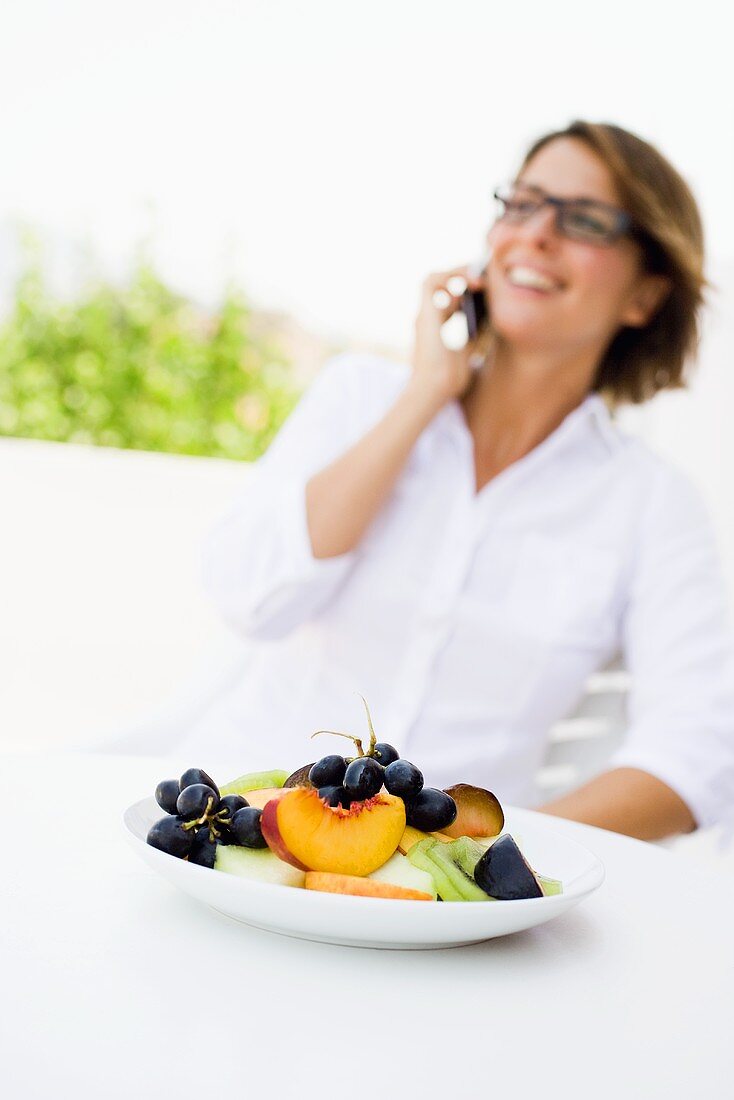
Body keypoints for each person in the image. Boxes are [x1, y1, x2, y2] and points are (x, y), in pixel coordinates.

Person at [190, 119, 734, 840]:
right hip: (234, 835)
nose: (536, 234)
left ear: (644, 298)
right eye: (522, 203)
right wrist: (423, 397)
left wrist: (480, 857)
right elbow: (249, 600)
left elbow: (698, 754)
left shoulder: (652, 504)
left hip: (441, 913)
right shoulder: (363, 396)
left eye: (587, 220)